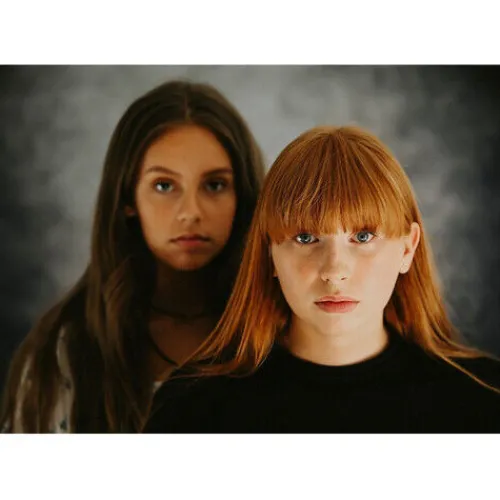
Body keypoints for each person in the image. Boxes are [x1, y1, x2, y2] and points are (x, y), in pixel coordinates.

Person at [146, 125, 500, 433]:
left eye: (363, 237)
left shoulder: (484, 399)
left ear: (408, 249)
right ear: (270, 253)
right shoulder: (190, 410)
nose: (334, 271)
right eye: (306, 238)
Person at [1, 80, 265, 433]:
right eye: (164, 185)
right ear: (128, 198)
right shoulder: (67, 349)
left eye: (215, 185)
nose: (191, 212)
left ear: (242, 196)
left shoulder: (281, 331)